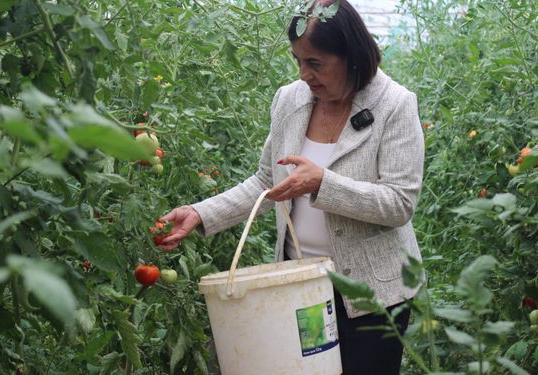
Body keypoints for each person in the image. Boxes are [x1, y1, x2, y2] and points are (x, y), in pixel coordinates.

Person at [158, 0, 424, 373]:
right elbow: (267, 181)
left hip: (372, 296)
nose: (303, 74)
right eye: (297, 60)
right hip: (301, 288)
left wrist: (322, 183)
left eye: (315, 63)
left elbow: (399, 203)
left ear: (351, 55)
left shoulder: (394, 104)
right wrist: (201, 213)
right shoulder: (290, 100)